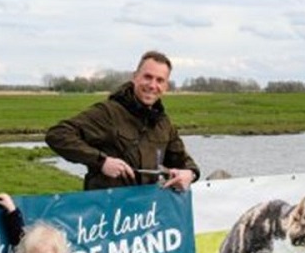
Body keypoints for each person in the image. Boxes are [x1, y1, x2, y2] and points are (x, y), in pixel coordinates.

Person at [46, 50, 201, 191]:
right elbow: (58, 134)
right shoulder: (108, 113)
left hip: (146, 209)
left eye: (160, 80)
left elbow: (183, 160)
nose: (152, 85)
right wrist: (102, 162)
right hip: (106, 206)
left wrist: (190, 173)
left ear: (166, 86)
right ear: (135, 77)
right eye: (147, 77)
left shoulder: (163, 123)